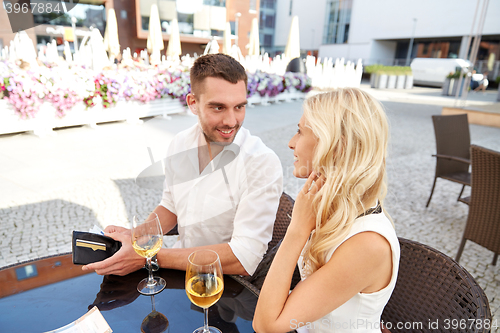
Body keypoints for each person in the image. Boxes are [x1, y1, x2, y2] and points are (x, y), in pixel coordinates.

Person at [83, 54, 283, 276]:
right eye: (218, 108)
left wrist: (147, 257)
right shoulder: (180, 143)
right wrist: (135, 237)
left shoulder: (261, 162)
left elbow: (244, 259)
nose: (231, 121)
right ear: (193, 103)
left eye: (239, 107)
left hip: (229, 284)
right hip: (181, 266)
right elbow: (171, 206)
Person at [253, 88, 400, 333]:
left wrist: (297, 230)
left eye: (300, 132)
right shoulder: (339, 210)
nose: (291, 143)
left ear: (334, 145)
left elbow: (266, 325)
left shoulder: (367, 244)